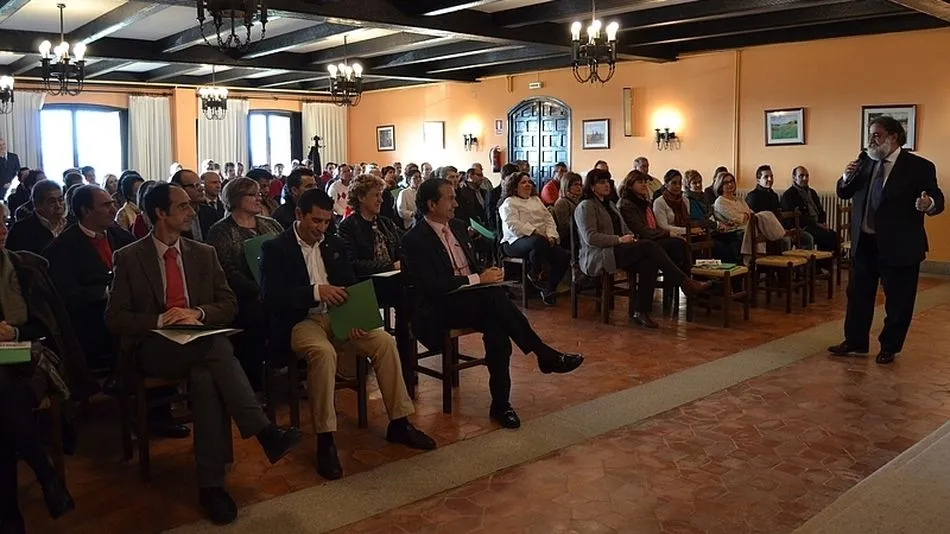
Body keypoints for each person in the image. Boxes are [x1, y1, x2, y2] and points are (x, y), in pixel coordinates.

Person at [105, 182, 301, 525]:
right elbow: (115, 318)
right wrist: (159, 318)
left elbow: (228, 303)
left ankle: (211, 485)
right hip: (154, 345)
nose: (191, 211)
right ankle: (263, 430)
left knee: (205, 375)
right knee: (216, 346)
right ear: (160, 213)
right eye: (182, 206)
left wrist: (197, 314)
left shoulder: (202, 253)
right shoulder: (130, 257)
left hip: (198, 339)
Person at [260, 188, 434, 481]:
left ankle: (400, 422)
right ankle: (326, 440)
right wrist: (316, 291)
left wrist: (356, 318)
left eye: (327, 222)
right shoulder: (276, 249)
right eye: (316, 221)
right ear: (299, 215)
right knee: (323, 353)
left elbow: (350, 285)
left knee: (384, 341)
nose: (321, 229)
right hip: (301, 321)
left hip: (338, 318)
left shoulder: (333, 244)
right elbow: (272, 298)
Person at [402, 178, 584, 428]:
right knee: (493, 298)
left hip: (472, 300)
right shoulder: (415, 239)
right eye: (450, 198)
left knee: (498, 330)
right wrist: (478, 279)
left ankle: (501, 405)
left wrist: (486, 273)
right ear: (432, 204)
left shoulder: (457, 226)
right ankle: (543, 354)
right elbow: (433, 286)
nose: (456, 203)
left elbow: (471, 266)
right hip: (439, 307)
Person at [0, 220, 96, 533]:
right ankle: (46, 474)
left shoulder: (23, 269)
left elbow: (47, 328)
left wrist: (13, 331)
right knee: (4, 399)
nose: (2, 230)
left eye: (2, 223)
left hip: (27, 355)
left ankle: (9, 512)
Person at [829, 116, 944, 364]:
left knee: (899, 300)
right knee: (858, 295)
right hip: (865, 242)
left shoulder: (919, 166)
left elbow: (937, 198)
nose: (871, 140)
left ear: (893, 137)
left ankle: (889, 346)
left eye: (877, 135)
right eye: (870, 134)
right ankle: (856, 341)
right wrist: (845, 177)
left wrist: (928, 204)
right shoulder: (865, 161)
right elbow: (844, 192)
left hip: (900, 245)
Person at [575, 169, 710, 329]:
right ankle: (685, 282)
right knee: (648, 245)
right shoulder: (586, 206)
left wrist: (630, 238)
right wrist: (619, 239)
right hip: (599, 255)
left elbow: (625, 229)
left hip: (618, 249)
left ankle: (641, 311)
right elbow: (590, 238)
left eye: (607, 181)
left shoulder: (610, 205)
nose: (607, 185)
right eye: (601, 182)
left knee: (650, 260)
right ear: (591, 186)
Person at [206, 178, 283, 392]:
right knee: (254, 317)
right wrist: (258, 289)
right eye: (252, 194)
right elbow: (226, 270)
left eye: (259, 193)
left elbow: (287, 253)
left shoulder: (271, 224)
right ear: (236, 198)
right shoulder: (220, 230)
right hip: (242, 295)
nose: (260, 197)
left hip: (274, 289)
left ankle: (285, 368)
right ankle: (253, 384)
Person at [498, 171, 569, 305]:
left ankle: (549, 289)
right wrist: (535, 231)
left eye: (529, 182)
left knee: (563, 256)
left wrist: (552, 236)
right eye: (523, 182)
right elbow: (513, 225)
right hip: (514, 241)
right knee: (538, 242)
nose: (528, 185)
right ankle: (534, 274)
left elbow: (548, 219)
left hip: (540, 242)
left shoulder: (536, 200)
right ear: (514, 187)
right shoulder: (509, 202)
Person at [617, 170, 690, 277]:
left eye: (645, 182)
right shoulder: (627, 204)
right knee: (677, 244)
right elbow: (641, 230)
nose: (644, 185)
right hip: (639, 241)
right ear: (630, 185)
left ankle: (678, 284)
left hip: (649, 238)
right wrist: (668, 233)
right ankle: (684, 281)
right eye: (640, 182)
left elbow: (652, 226)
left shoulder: (643, 201)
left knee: (679, 245)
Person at [781, 166, 839, 252]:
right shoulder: (789, 195)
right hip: (803, 226)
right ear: (794, 178)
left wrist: (822, 223)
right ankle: (821, 262)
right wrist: (816, 224)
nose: (805, 178)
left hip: (816, 225)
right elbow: (796, 218)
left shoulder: (812, 192)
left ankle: (826, 262)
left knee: (834, 235)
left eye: (807, 176)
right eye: (801, 176)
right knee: (826, 236)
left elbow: (820, 210)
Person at [7, 181, 66, 255]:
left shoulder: (70, 224)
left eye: (60, 200)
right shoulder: (21, 229)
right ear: (37, 204)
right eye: (52, 202)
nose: (58, 206)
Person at [552, 172, 583, 246]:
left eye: (580, 184)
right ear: (567, 186)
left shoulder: (579, 200)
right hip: (569, 239)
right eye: (575, 184)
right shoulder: (562, 202)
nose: (579, 187)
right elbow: (565, 226)